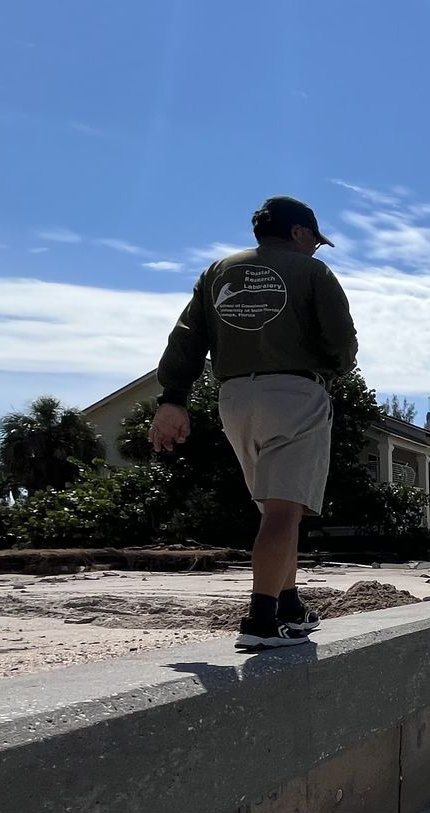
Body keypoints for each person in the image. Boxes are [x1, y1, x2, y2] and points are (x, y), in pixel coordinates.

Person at [150, 195, 358, 650]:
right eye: (315, 242)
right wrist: (329, 369)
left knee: (276, 510)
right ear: (300, 233)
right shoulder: (312, 273)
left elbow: (186, 338)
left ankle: (289, 605)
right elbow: (342, 342)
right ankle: (261, 621)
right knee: (285, 509)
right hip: (295, 392)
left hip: (234, 396)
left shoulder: (218, 271)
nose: (316, 250)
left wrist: (172, 399)